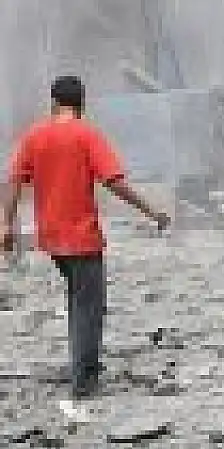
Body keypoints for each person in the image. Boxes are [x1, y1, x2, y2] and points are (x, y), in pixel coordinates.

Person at [1, 76, 170, 402]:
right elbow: (114, 181)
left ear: (54, 102)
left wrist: (6, 226)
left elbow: (14, 181)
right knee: (89, 307)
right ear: (81, 103)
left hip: (51, 239)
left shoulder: (35, 135)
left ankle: (80, 366)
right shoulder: (87, 134)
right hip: (81, 238)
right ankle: (84, 382)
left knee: (79, 301)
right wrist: (151, 211)